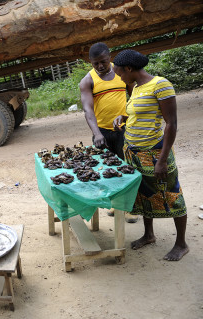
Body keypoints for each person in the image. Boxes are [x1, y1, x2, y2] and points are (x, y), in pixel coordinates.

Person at [112, 49, 188, 261]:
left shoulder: (161, 85)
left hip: (155, 153)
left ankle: (181, 244)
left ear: (129, 69)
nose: (119, 77)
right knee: (144, 195)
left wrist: (162, 160)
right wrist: (122, 117)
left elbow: (171, 123)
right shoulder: (136, 88)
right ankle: (149, 234)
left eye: (120, 73)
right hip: (135, 154)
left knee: (172, 195)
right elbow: (137, 112)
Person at [79, 42, 138, 223]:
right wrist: (97, 134)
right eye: (95, 63)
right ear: (90, 62)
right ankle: (115, 203)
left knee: (128, 167)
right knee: (107, 169)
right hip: (102, 132)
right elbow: (88, 110)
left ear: (109, 57)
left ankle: (130, 207)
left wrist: (129, 118)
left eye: (103, 62)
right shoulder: (87, 81)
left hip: (123, 129)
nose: (100, 66)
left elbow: (134, 95)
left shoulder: (122, 73)